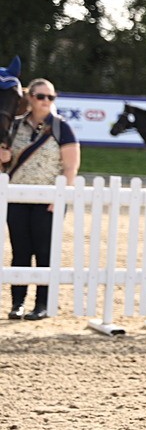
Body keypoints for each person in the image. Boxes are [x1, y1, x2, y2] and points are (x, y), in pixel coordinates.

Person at [0, 78, 79, 320]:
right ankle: (18, 303)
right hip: (17, 197)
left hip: (49, 199)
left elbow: (70, 167)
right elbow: (4, 164)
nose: (46, 101)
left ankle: (42, 304)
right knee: (20, 252)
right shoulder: (14, 126)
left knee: (45, 252)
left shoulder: (61, 128)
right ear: (30, 98)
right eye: (41, 96)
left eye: (50, 97)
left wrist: (61, 197)